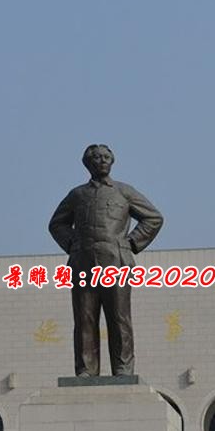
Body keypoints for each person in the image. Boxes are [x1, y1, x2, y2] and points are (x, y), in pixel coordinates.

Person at [49, 144, 164, 376]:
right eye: (96, 158)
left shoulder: (124, 192)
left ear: (112, 161)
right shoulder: (77, 195)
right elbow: (57, 223)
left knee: (119, 318)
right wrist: (72, 244)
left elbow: (153, 218)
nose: (101, 161)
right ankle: (86, 370)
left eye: (105, 157)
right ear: (87, 163)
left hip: (116, 263)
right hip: (83, 264)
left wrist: (131, 243)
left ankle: (123, 368)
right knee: (85, 319)